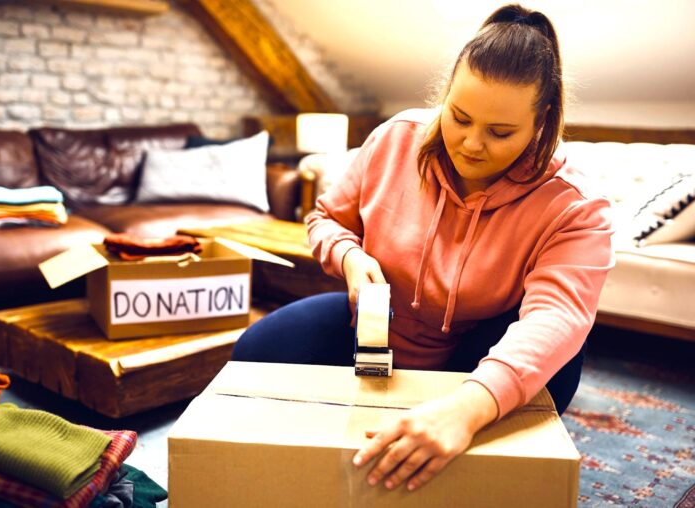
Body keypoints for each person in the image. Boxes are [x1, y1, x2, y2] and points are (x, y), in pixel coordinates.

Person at [232, 2, 613, 493]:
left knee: (560, 364)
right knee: (254, 351)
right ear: (446, 94)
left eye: (500, 133)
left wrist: (466, 410)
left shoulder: (576, 204)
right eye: (459, 118)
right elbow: (326, 219)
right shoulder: (395, 139)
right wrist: (350, 257)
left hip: (476, 350)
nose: (472, 144)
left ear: (542, 122)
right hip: (374, 328)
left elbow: (557, 318)